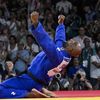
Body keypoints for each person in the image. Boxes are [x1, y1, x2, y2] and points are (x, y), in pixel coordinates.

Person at [0, 11, 81, 98]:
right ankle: (41, 90)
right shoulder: (65, 53)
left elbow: (46, 42)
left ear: (71, 50)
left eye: (74, 43)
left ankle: (27, 94)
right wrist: (61, 24)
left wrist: (36, 23)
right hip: (38, 82)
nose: (73, 40)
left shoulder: (58, 57)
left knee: (1, 88)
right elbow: (60, 38)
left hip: (30, 79)